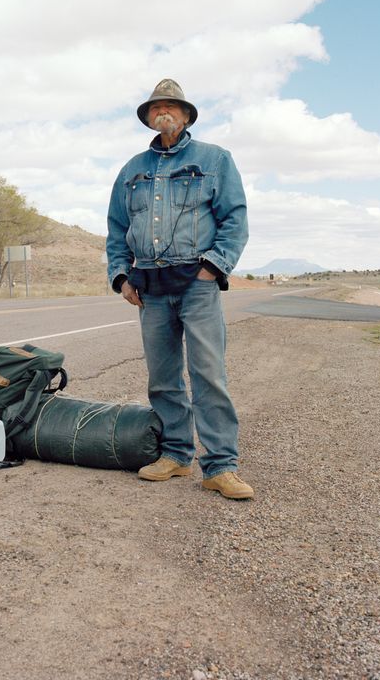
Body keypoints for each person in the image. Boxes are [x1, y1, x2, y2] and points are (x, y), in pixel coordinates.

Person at [106, 79, 253, 500]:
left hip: (196, 284)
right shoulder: (131, 170)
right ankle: (175, 455)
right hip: (149, 287)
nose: (163, 112)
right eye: (156, 108)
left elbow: (235, 219)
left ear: (186, 115)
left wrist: (212, 267)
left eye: (172, 106)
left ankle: (221, 466)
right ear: (148, 117)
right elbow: (118, 228)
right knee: (163, 377)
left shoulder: (215, 159)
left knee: (208, 373)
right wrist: (121, 276)